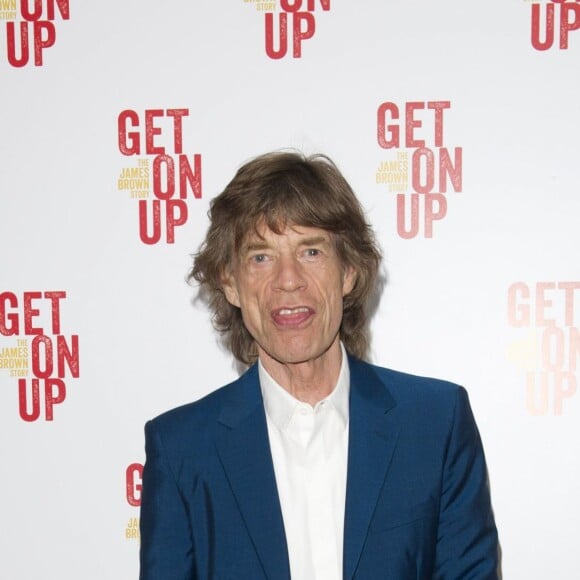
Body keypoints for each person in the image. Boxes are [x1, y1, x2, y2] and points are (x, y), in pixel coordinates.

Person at [139, 150, 499, 579]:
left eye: (310, 251)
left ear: (348, 271)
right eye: (260, 257)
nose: (288, 279)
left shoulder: (436, 423)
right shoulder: (181, 450)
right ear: (230, 283)